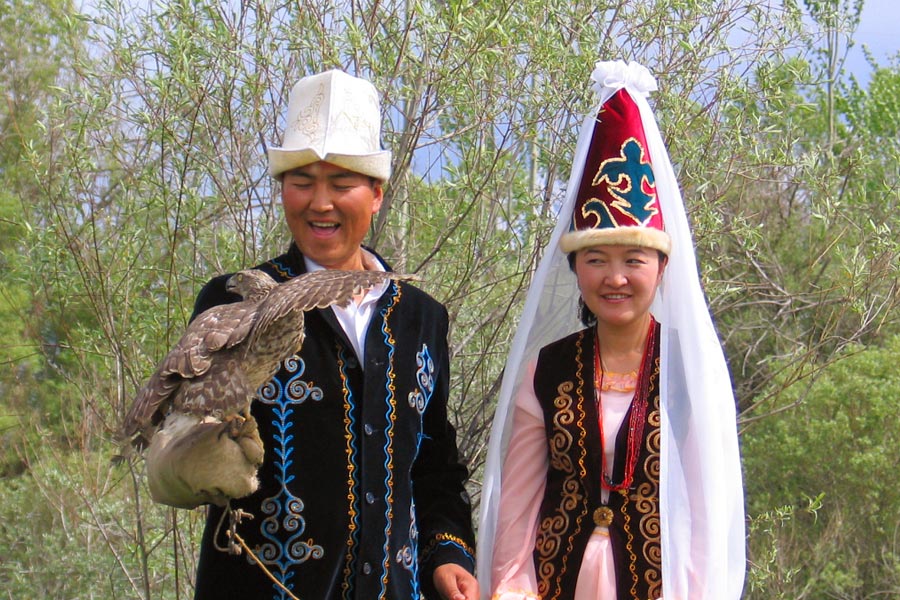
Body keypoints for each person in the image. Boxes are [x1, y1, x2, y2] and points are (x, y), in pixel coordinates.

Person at [147, 69, 479, 600]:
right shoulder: (236, 302)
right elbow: (181, 431)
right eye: (301, 181)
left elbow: (435, 466)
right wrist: (194, 450)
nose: (319, 203)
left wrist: (448, 553)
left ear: (375, 194)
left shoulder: (421, 319)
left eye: (341, 183)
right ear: (283, 190)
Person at [477, 61, 745, 599]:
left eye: (634, 260)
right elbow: (520, 503)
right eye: (595, 259)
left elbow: (706, 510)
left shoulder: (688, 371)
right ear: (575, 269)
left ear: (662, 267)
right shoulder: (547, 368)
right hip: (555, 584)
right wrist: (511, 589)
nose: (615, 278)